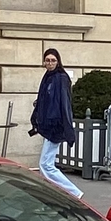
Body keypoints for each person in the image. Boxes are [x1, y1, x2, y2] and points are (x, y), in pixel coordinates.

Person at [29, 47, 78, 196]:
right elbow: (49, 98)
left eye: (53, 60)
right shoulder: (48, 77)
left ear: (58, 62)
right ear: (44, 62)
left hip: (55, 125)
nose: (50, 63)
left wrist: (65, 126)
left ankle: (72, 192)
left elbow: (64, 103)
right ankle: (59, 192)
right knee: (46, 163)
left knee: (46, 164)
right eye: (47, 60)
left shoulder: (60, 78)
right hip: (49, 125)